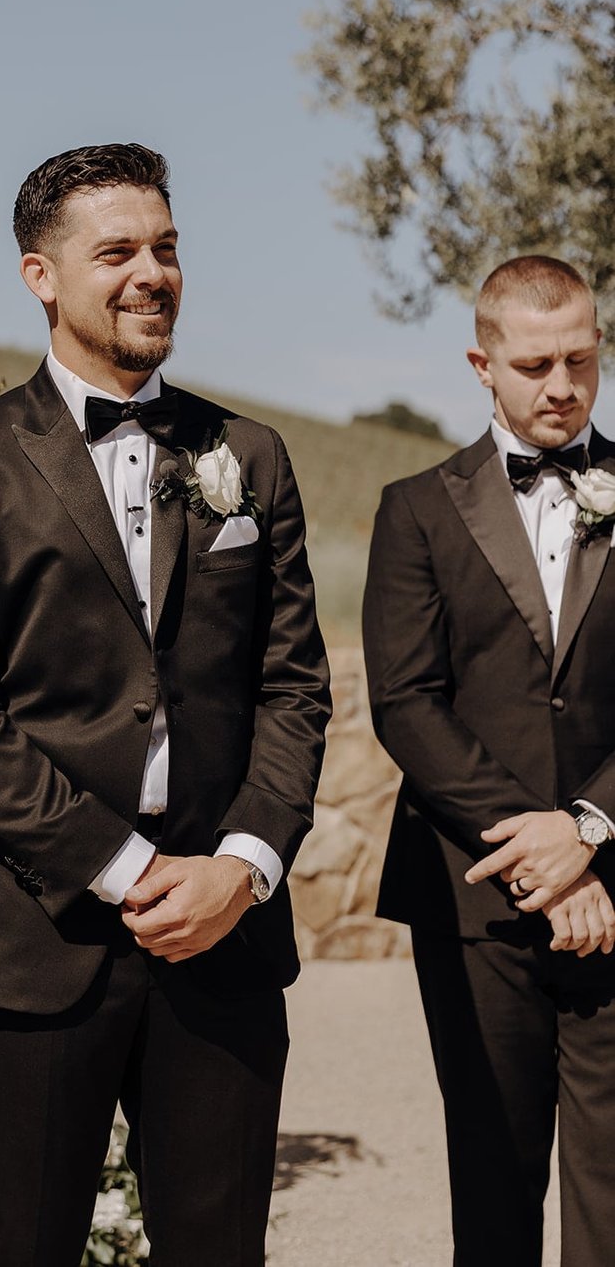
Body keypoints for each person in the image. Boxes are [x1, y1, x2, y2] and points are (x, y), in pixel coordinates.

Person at [0, 142, 330, 1267]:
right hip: (38, 938)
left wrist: (239, 866)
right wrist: (133, 873)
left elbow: (291, 688)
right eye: (119, 251)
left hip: (225, 931)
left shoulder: (251, 456)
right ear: (42, 277)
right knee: (26, 1245)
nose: (153, 273)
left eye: (168, 248)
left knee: (220, 1246)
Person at [363, 255, 615, 1267]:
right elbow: (405, 704)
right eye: (534, 364)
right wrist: (538, 855)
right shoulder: (415, 509)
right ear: (482, 364)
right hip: (470, 895)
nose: (561, 386)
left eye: (581, 361)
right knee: (493, 1176)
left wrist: (589, 828)